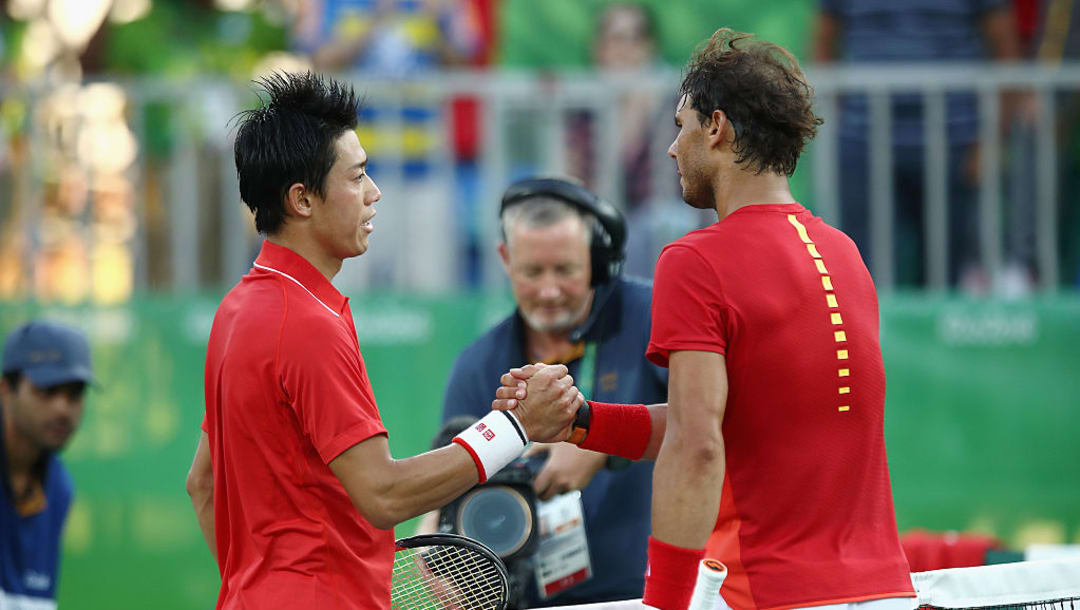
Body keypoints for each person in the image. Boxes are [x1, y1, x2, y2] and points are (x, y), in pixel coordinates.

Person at [496, 29, 914, 610]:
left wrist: (665, 603)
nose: (672, 148)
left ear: (715, 128)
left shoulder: (696, 259)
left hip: (767, 593)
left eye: (680, 125)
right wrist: (581, 420)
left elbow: (697, 446)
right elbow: (725, 424)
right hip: (886, 592)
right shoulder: (844, 252)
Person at [184, 71, 582, 610]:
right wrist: (515, 430)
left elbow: (201, 484)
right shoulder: (304, 322)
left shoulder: (237, 310)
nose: (374, 194)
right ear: (302, 199)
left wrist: (262, 587)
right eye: (357, 177)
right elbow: (383, 494)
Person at [434, 177, 667, 606]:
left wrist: (600, 442)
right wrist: (438, 563)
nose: (548, 290)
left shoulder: (653, 317)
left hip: (648, 595)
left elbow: (713, 423)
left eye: (565, 270)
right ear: (505, 259)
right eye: (531, 271)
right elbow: (446, 492)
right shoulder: (478, 365)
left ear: (596, 262)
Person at [811, 0, 1028, 289]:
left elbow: (1003, 43)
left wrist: (991, 138)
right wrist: (837, 120)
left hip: (955, 144)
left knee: (945, 276)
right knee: (860, 275)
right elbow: (824, 38)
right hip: (862, 142)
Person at [1, 320, 94, 608]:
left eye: (74, 393)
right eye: (46, 389)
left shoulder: (59, 489)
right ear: (5, 389)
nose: (62, 408)